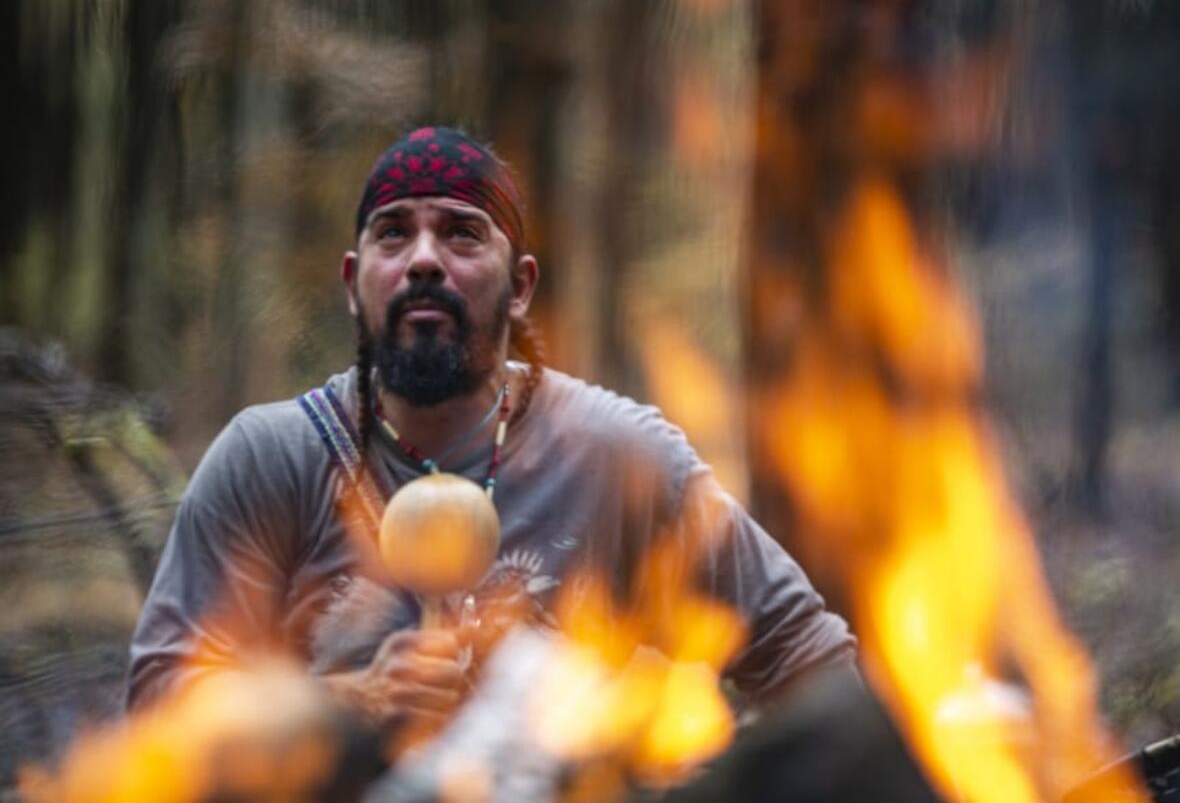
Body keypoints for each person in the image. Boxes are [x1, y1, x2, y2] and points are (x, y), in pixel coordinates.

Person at [126, 126, 855, 737]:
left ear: (522, 287)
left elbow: (809, 657)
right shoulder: (274, 457)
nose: (422, 258)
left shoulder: (619, 457)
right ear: (354, 283)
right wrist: (350, 700)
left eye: (462, 233)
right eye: (393, 233)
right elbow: (160, 704)